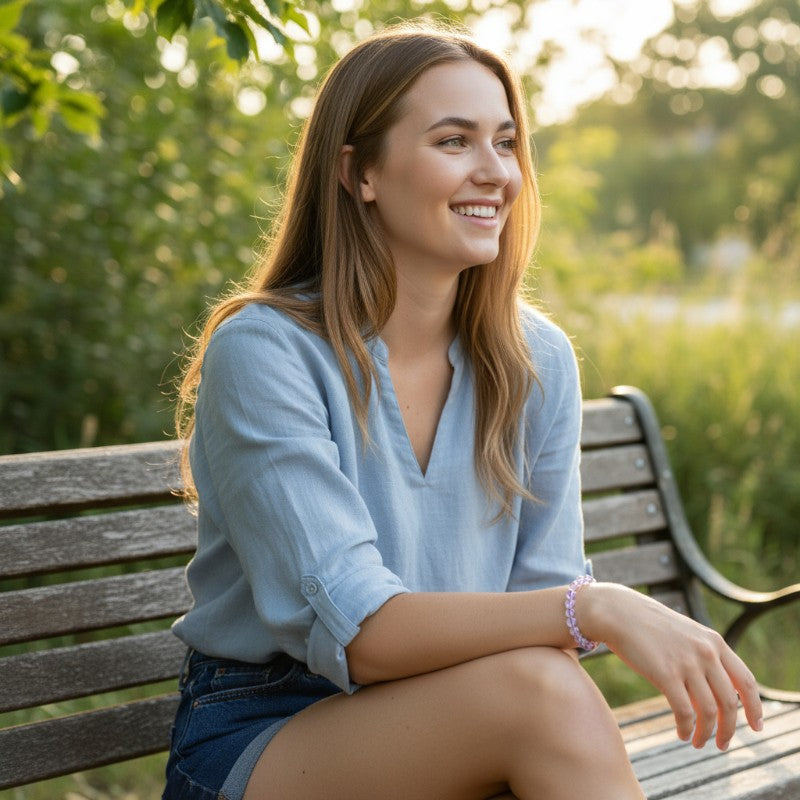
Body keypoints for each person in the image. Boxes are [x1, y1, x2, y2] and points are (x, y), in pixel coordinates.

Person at [163, 21, 763, 800]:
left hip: (467, 714)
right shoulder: (267, 351)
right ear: (359, 172)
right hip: (273, 730)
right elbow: (362, 633)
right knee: (541, 699)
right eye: (454, 141)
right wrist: (600, 606)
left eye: (506, 143)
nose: (496, 173)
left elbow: (545, 622)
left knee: (543, 690)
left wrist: (577, 614)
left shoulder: (534, 360)